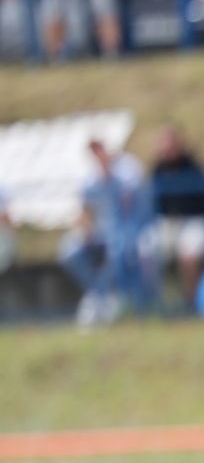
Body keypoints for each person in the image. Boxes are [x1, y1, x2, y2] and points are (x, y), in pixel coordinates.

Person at [58, 134, 149, 325]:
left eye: (99, 149)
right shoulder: (90, 178)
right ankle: (99, 296)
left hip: (128, 228)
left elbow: (131, 207)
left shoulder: (127, 169)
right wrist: (86, 230)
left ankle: (114, 300)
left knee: (118, 250)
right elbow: (85, 212)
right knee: (69, 252)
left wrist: (109, 176)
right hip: (101, 233)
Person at [146, 125, 204, 306]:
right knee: (146, 250)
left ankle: (193, 302)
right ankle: (153, 302)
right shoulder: (158, 171)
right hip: (169, 223)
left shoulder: (194, 168)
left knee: (188, 254)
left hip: (196, 221)